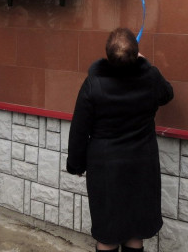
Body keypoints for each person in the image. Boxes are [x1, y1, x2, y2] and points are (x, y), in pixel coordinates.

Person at [66, 27, 174, 252]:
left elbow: (79, 129)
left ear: (107, 56)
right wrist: (147, 64)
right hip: (141, 165)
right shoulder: (150, 78)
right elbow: (167, 94)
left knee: (108, 233)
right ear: (136, 55)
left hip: (105, 169)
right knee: (135, 231)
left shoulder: (93, 83)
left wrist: (76, 164)